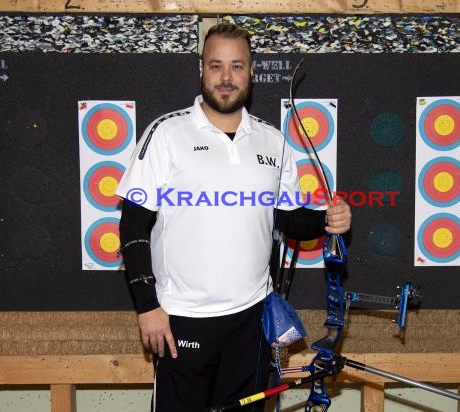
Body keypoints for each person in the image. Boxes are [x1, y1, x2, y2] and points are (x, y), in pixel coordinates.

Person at [116, 23, 352, 412]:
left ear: (252, 71)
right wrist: (147, 306)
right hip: (182, 320)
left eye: (237, 66)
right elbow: (133, 224)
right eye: (216, 66)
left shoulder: (272, 140)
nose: (226, 78)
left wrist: (327, 219)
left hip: (251, 320)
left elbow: (289, 219)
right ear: (201, 70)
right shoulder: (166, 133)